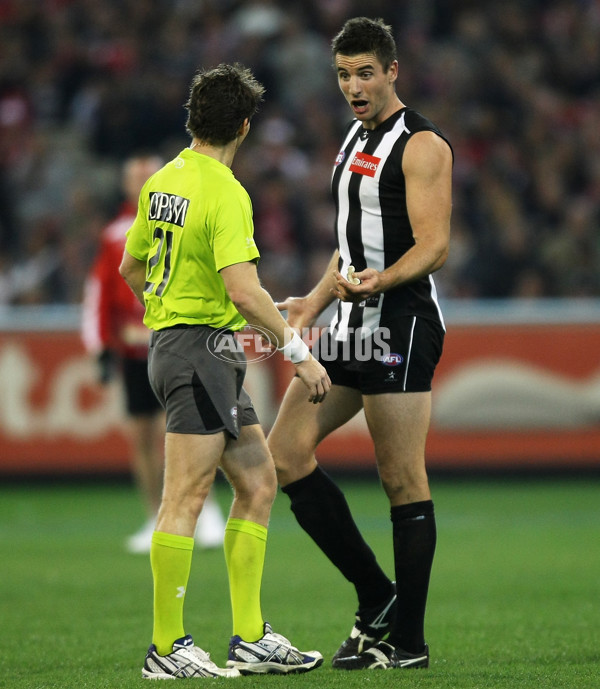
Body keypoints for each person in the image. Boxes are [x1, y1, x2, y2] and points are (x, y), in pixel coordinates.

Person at [119, 62, 331, 679]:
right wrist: (298, 351)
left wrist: (166, 312)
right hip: (197, 351)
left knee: (258, 482)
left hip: (193, 350)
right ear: (244, 125)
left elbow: (134, 268)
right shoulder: (225, 190)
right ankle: (167, 647)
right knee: (184, 495)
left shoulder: (162, 181)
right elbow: (243, 292)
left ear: (193, 119)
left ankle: (250, 637)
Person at [267, 17, 453, 671]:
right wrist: (312, 301)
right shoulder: (353, 138)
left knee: (400, 476)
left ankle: (407, 642)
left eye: (365, 72)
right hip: (348, 323)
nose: (354, 85)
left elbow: (433, 245)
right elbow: (350, 243)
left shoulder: (422, 144)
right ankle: (377, 599)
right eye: (344, 74)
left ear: (392, 70)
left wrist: (384, 277)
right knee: (284, 454)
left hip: (400, 321)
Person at [81, 154, 226, 554]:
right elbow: (100, 295)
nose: (142, 181)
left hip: (176, 340)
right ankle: (155, 516)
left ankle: (205, 509)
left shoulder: (185, 216)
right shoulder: (114, 235)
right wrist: (100, 349)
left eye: (148, 175)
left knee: (183, 430)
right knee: (143, 437)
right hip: (133, 349)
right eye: (135, 176)